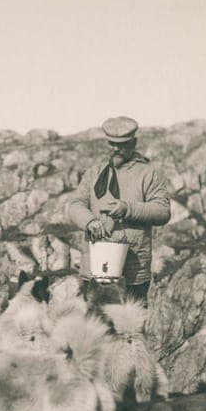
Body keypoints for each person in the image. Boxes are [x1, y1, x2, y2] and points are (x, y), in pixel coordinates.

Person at [66, 116, 170, 306]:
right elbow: (75, 204)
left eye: (122, 144)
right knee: (96, 325)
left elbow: (162, 211)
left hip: (133, 269)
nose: (116, 149)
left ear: (134, 143)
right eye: (112, 144)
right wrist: (90, 222)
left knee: (131, 325)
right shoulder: (94, 173)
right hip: (96, 268)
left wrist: (127, 209)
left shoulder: (147, 174)